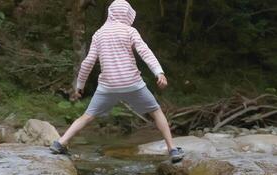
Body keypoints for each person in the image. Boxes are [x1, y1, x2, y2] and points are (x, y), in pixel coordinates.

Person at [50, 0, 184, 162]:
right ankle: (172, 149)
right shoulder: (129, 31)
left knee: (87, 116)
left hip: (108, 87)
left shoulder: (98, 34)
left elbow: (88, 62)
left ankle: (60, 143)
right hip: (132, 83)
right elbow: (145, 52)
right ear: (126, 14)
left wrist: (79, 86)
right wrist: (158, 72)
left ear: (110, 13)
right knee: (156, 112)